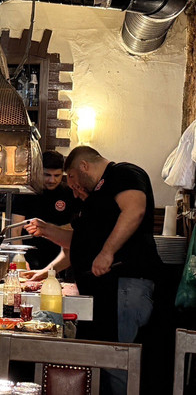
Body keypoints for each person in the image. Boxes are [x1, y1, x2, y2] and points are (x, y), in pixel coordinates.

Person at [24, 146, 162, 394]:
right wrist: (46, 231)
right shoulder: (93, 200)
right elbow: (77, 243)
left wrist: (107, 252)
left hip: (126, 284)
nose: (73, 189)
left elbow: (135, 210)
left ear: (84, 166)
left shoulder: (124, 173)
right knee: (104, 360)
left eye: (72, 179)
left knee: (118, 360)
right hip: (105, 290)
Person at [11, 150, 81, 271]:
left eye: (57, 175)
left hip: (62, 257)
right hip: (31, 255)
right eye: (47, 175)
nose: (52, 180)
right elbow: (15, 229)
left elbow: (76, 228)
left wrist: (49, 230)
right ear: (39, 172)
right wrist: (20, 257)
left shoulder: (70, 193)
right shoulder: (25, 193)